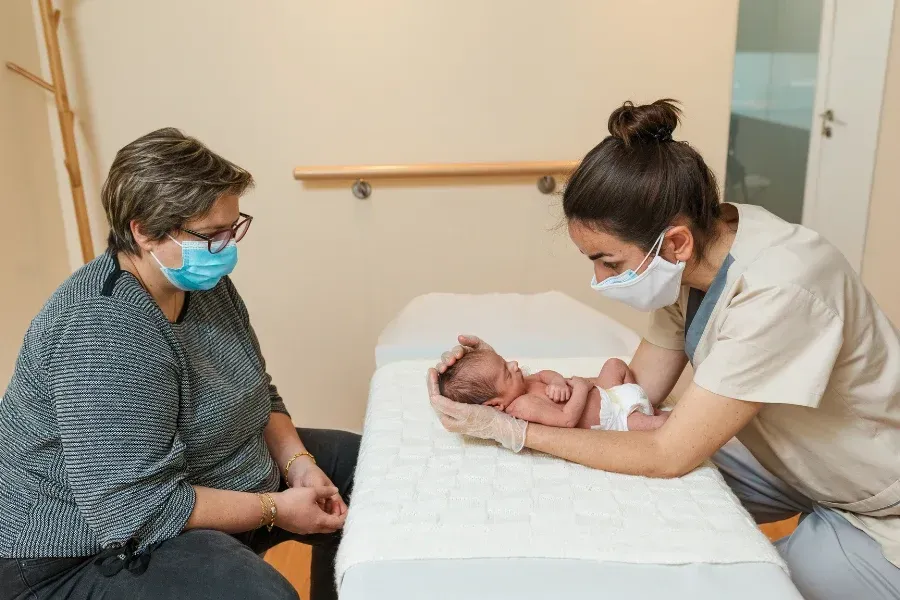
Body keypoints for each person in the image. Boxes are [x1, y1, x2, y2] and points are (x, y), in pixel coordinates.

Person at [428, 100, 900, 600]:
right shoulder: (698, 257)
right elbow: (638, 390)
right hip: (797, 461)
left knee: (749, 586)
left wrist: (514, 430)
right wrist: (493, 381)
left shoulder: (779, 290)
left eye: (609, 262)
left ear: (674, 244)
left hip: (881, 503)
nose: (599, 280)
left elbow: (666, 452)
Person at [0, 128, 359, 600]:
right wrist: (276, 508)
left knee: (365, 470)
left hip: (200, 476)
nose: (228, 246)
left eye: (234, 227)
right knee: (255, 592)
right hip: (78, 551)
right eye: (212, 234)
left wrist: (299, 466)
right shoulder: (103, 329)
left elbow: (259, 392)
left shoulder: (200, 285)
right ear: (143, 231)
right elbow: (137, 511)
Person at [439, 350, 666, 431]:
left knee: (615, 364)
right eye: (507, 372)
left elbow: (544, 374)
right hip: (616, 419)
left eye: (505, 361)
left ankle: (647, 406)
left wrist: (557, 380)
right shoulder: (523, 406)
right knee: (656, 425)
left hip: (609, 394)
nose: (514, 365)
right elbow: (567, 420)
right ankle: (652, 416)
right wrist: (581, 388)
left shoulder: (523, 384)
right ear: (496, 405)